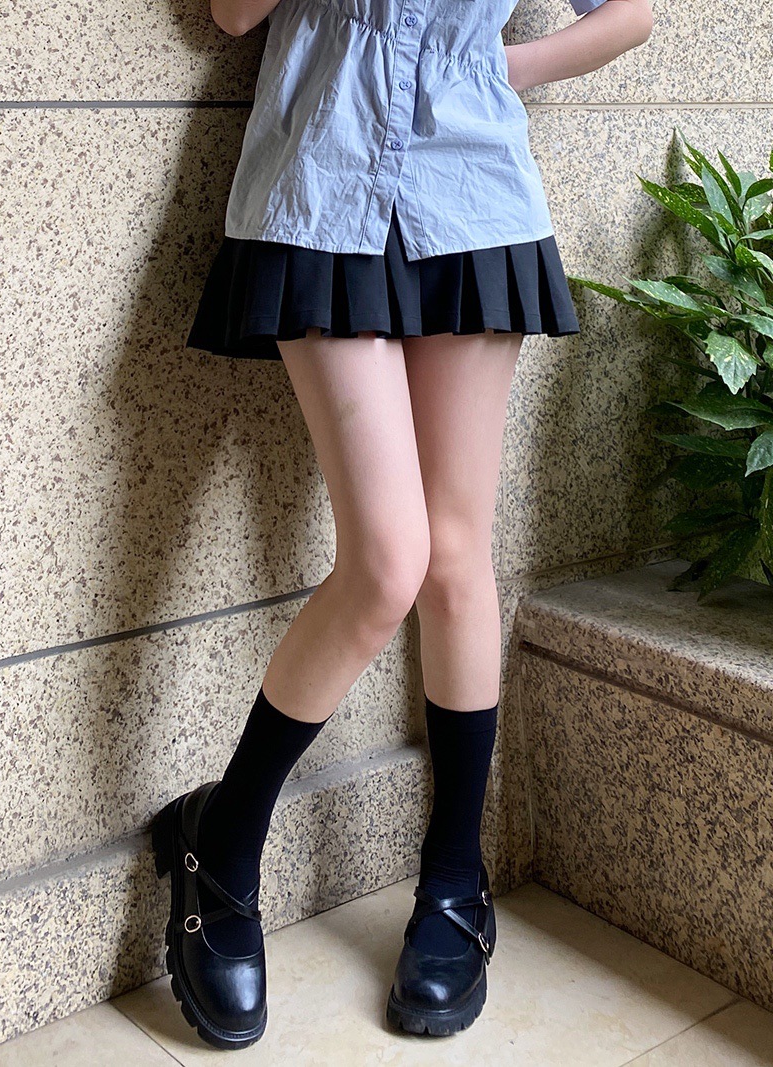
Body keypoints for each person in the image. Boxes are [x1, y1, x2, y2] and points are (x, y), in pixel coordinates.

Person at [151, 0, 654, 1049]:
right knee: (388, 562)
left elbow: (630, 16)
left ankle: (455, 880)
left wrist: (501, 68)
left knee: (457, 555)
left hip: (472, 191)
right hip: (318, 184)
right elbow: (232, 16)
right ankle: (224, 839)